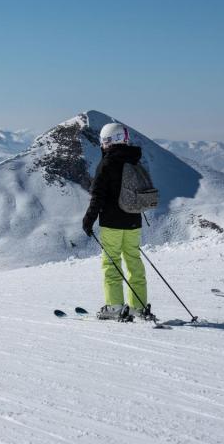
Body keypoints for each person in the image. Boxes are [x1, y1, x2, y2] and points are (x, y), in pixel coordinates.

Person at [82, 123, 148, 320]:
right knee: (134, 262)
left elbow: (98, 195)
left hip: (112, 223)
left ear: (108, 141)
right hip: (134, 221)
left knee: (112, 264)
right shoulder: (134, 161)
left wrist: (88, 220)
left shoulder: (107, 164)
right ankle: (138, 306)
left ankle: (114, 306)